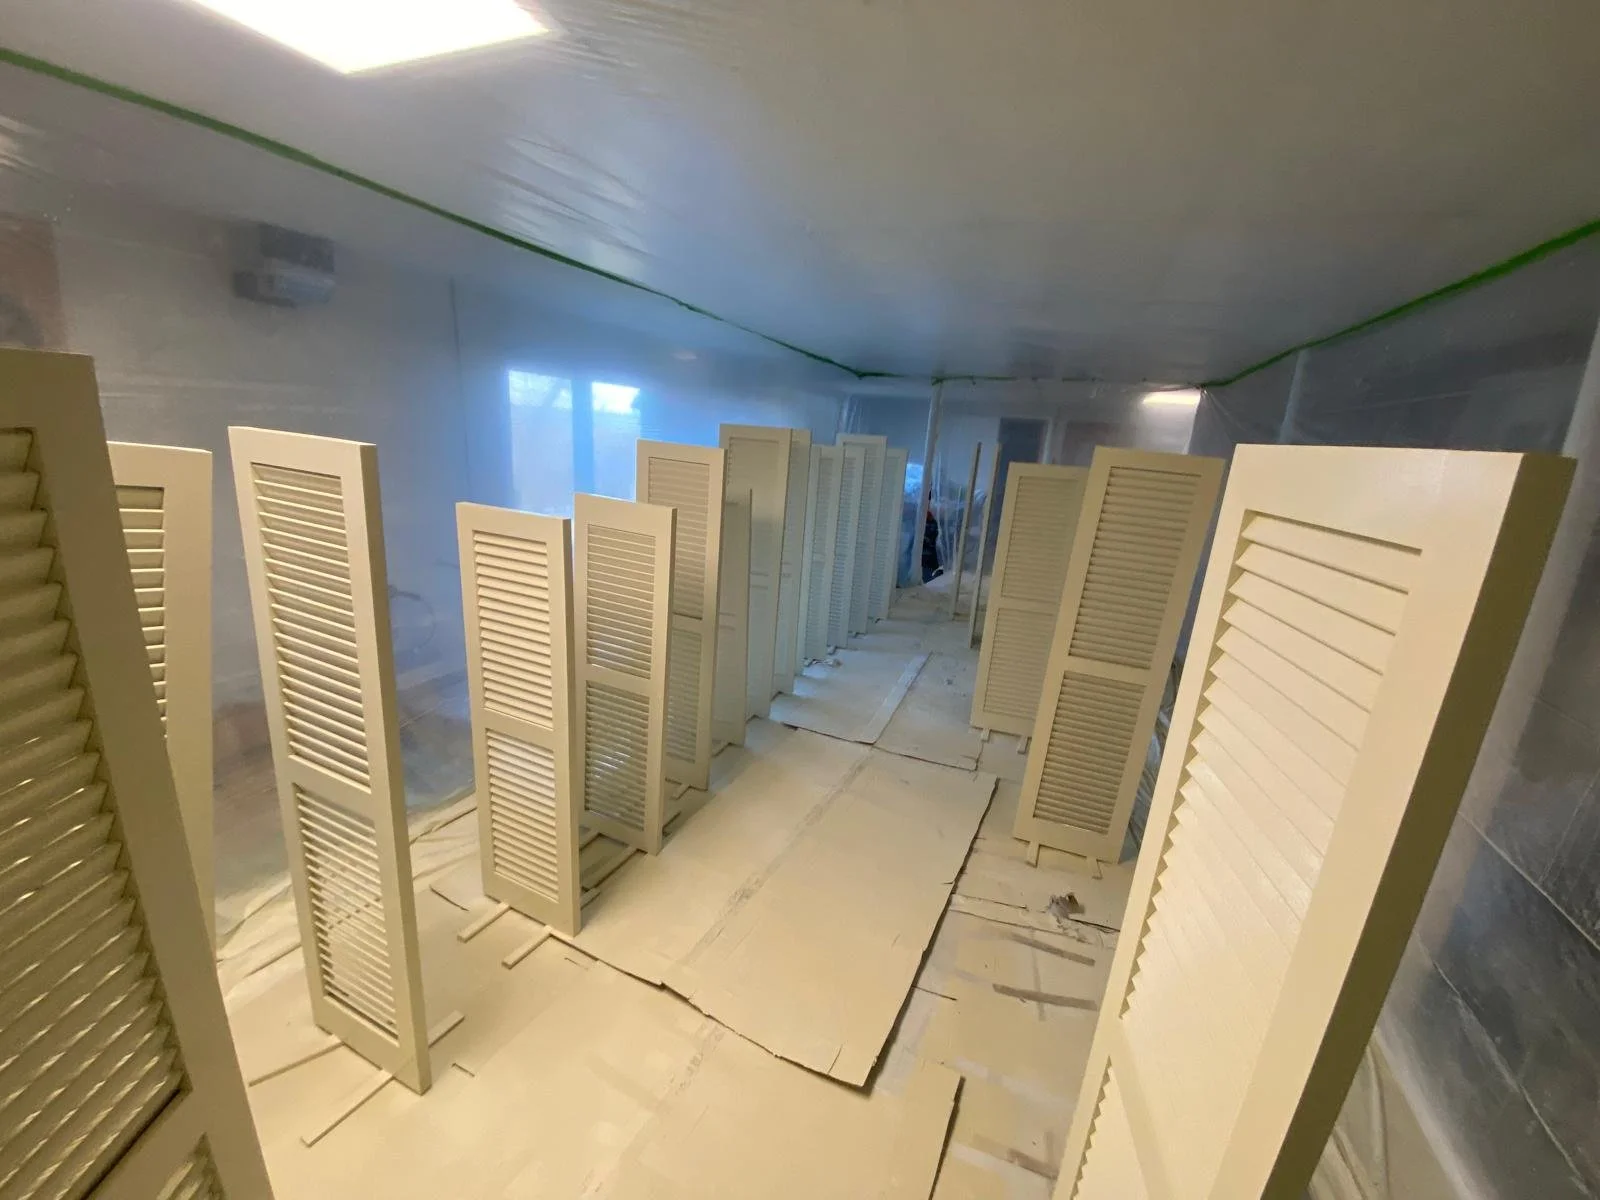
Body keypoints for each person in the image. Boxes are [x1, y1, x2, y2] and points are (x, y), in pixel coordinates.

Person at [921, 509, 942, 582]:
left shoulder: (932, 523)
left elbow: (932, 537)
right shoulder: (930, 522)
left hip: (929, 559)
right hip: (927, 558)